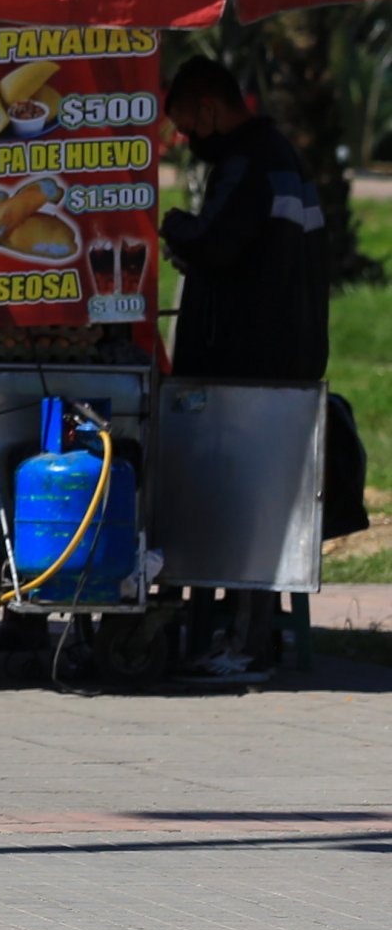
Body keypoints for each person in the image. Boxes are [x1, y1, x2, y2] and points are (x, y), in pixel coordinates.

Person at [160, 56, 329, 684]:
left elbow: (215, 244)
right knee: (251, 509)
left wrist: (175, 226)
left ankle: (248, 644)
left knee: (248, 511)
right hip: (286, 356)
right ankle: (238, 634)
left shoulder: (249, 162)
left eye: (185, 126)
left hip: (257, 365)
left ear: (209, 109)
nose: (184, 140)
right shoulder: (277, 156)